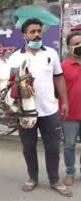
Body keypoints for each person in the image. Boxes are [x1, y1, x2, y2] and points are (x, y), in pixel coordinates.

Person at [8, 18, 72, 197]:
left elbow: (59, 78)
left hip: (49, 110)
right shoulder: (15, 57)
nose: (37, 34)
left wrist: (64, 102)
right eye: (32, 31)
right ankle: (32, 178)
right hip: (25, 113)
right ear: (24, 35)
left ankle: (54, 180)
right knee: (28, 147)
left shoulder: (51, 53)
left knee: (52, 147)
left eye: (38, 31)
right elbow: (10, 84)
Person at [59, 31, 81, 186]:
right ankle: (70, 172)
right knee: (69, 145)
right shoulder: (62, 67)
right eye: (76, 44)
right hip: (69, 115)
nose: (80, 46)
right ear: (69, 48)